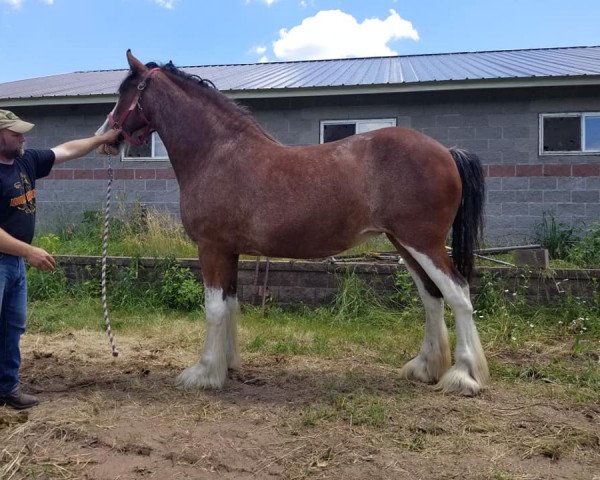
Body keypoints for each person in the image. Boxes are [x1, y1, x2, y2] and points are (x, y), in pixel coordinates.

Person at [0, 108, 120, 410]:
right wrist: (29, 251)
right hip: (9, 259)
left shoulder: (25, 162)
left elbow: (66, 149)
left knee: (12, 328)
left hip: (13, 264)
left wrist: (101, 138)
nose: (22, 137)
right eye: (15, 133)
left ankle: (7, 388)